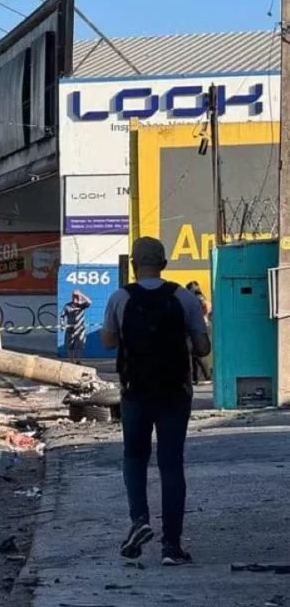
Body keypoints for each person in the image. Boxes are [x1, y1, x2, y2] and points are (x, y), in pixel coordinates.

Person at [102, 237, 211, 566]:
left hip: (135, 392)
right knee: (171, 464)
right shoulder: (183, 298)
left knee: (134, 459)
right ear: (164, 264)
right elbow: (203, 348)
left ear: (134, 265)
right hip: (175, 393)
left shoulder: (120, 298)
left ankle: (140, 520)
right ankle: (172, 546)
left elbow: (108, 342)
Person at [185, 281, 212, 384]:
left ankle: (204, 376)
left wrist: (203, 316)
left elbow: (207, 306)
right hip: (202, 324)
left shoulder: (197, 297)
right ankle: (198, 377)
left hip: (199, 325)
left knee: (197, 351)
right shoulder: (200, 296)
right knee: (196, 351)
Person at [61, 289, 92, 364]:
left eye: (77, 297)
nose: (75, 298)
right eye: (74, 296)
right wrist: (62, 325)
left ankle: (78, 360)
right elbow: (62, 316)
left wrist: (81, 294)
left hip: (80, 329)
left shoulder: (82, 305)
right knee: (70, 346)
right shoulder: (67, 306)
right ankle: (71, 361)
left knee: (80, 345)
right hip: (70, 329)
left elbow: (89, 302)